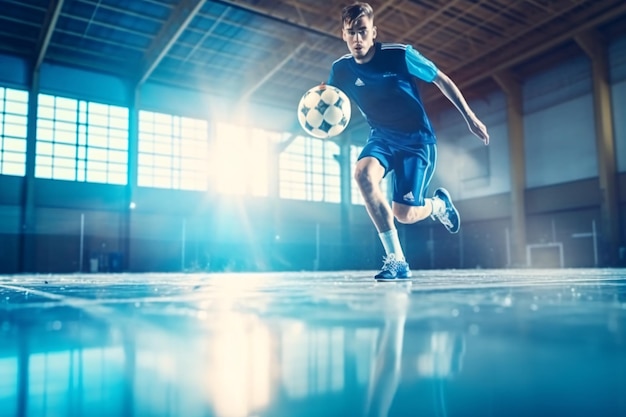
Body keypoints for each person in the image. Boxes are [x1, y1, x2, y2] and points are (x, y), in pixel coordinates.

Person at [326, 2, 490, 280]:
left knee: (404, 213)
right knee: (362, 174)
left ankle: (439, 206)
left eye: (362, 31)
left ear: (373, 32)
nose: (357, 38)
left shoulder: (399, 55)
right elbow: (328, 100)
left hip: (417, 141)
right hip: (381, 137)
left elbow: (441, 79)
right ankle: (397, 261)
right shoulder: (340, 69)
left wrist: (470, 117)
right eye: (351, 32)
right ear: (343, 34)